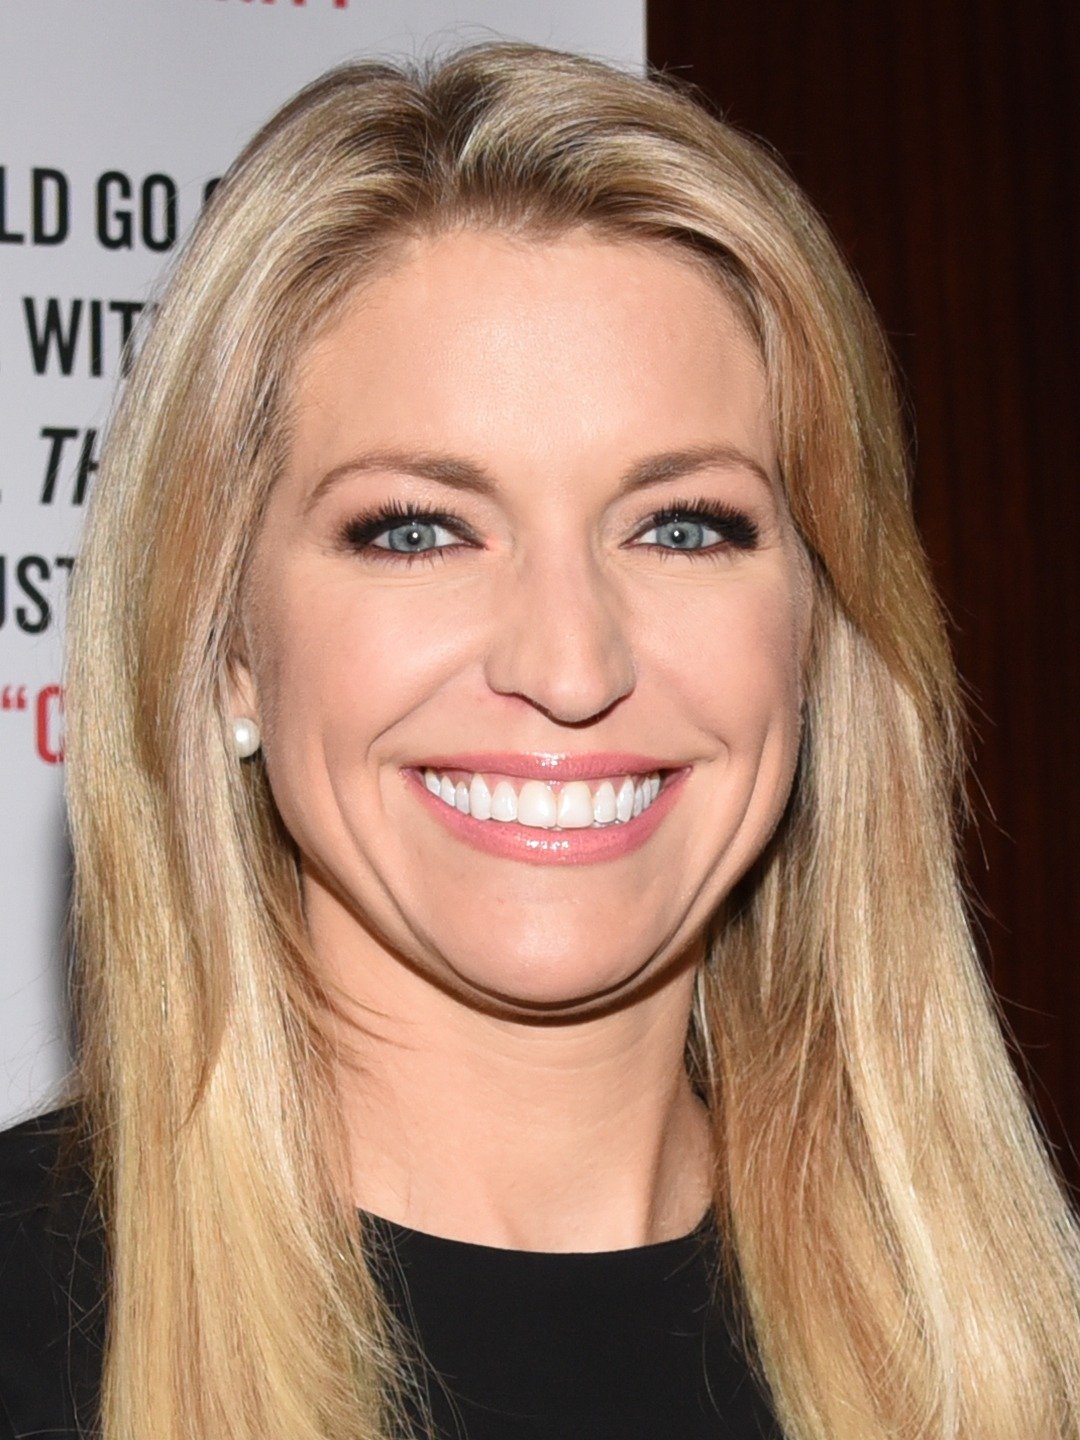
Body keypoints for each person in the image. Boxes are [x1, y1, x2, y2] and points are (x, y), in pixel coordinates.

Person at [0, 39, 1077, 1440]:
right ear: (229, 648)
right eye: (418, 531)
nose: (571, 667)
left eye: (683, 527)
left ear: (820, 632)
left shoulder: (1018, 1347)